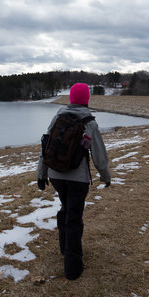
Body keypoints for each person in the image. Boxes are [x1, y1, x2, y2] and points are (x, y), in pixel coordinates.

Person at [37, 83, 111, 280]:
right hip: (78, 179)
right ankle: (73, 268)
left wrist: (41, 174)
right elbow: (99, 156)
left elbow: (45, 146)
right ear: (87, 99)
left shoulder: (58, 117)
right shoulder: (90, 122)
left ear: (70, 99)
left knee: (65, 209)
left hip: (56, 175)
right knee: (74, 218)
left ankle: (64, 248)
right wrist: (106, 177)